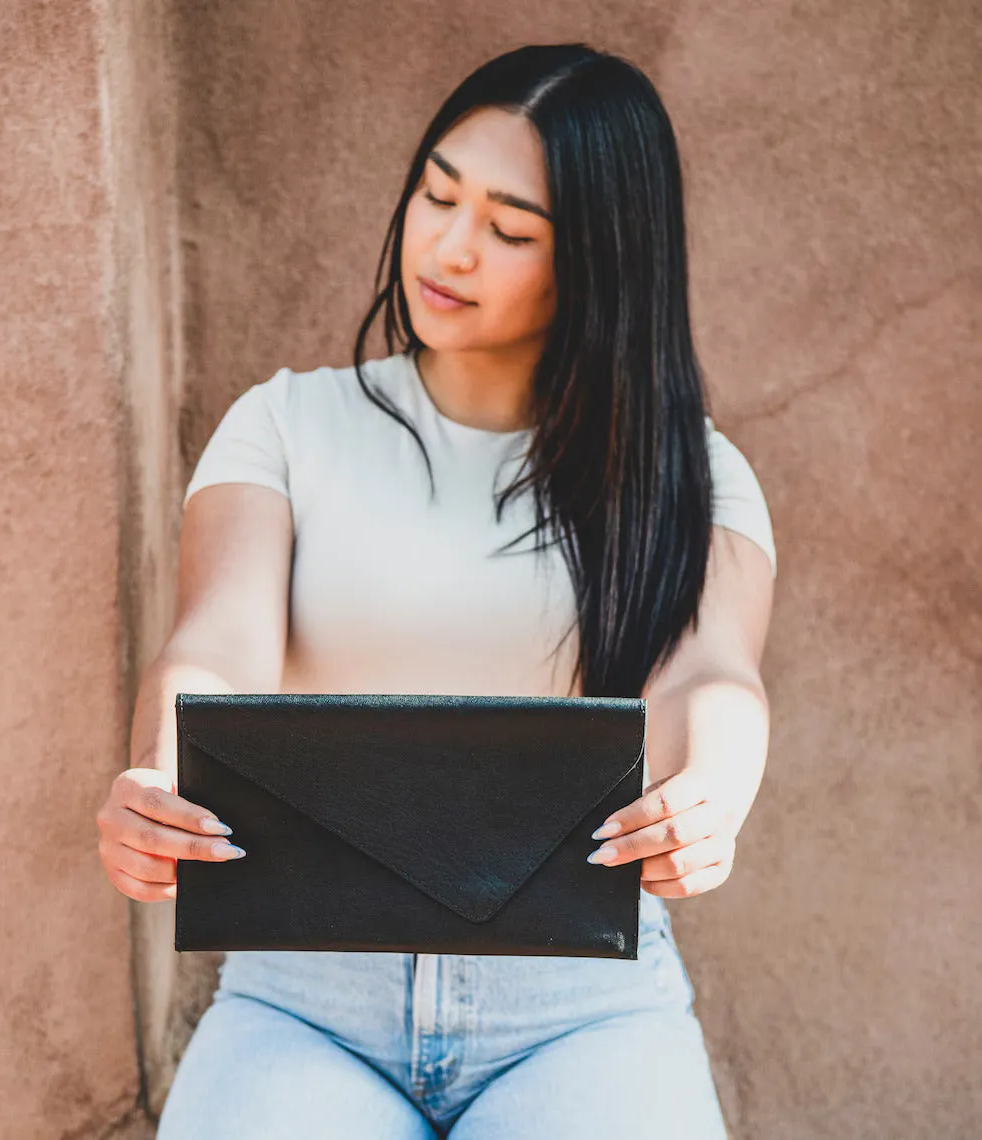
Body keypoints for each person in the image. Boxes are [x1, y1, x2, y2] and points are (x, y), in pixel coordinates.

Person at [96, 43, 777, 1139]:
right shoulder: (286, 424)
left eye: (509, 229)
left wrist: (720, 793)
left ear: (597, 260)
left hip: (584, 1006)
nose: (448, 246)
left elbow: (713, 671)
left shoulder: (690, 474)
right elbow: (214, 643)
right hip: (304, 996)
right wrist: (159, 782)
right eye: (436, 192)